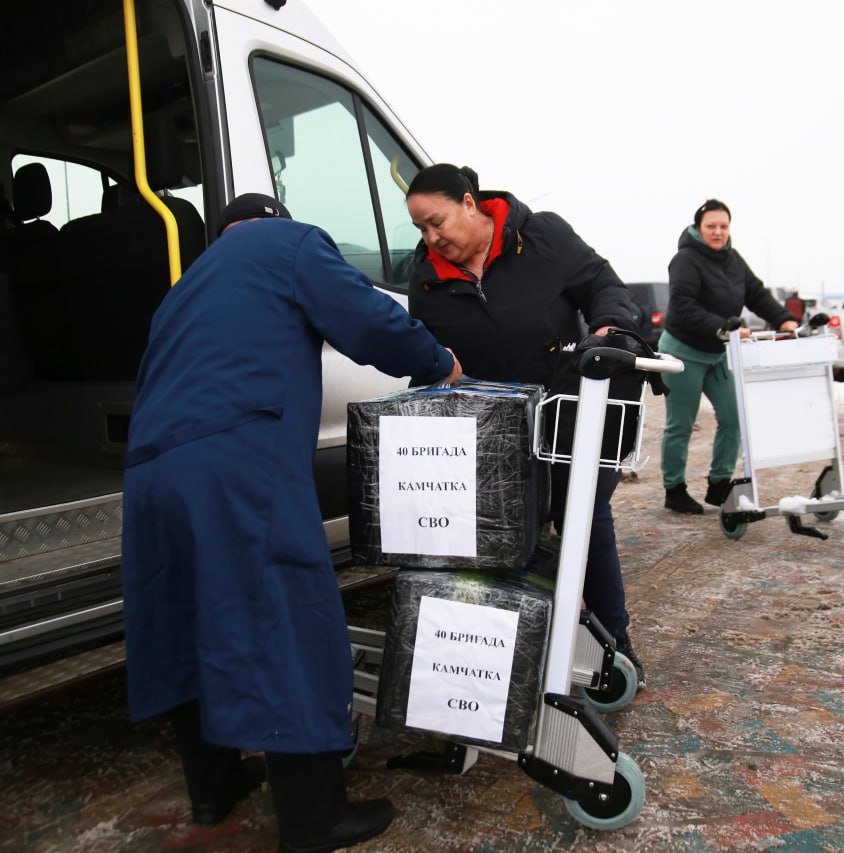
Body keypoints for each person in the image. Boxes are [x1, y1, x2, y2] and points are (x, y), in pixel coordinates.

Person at [121, 192, 461, 852]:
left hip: (151, 473)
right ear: (275, 222)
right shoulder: (290, 243)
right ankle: (314, 820)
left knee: (189, 621)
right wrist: (437, 362)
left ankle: (214, 788)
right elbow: (368, 321)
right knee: (284, 621)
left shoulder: (186, 285)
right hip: (235, 465)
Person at [403, 163, 647, 684]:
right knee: (502, 533)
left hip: (566, 410)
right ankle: (504, 652)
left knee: (582, 514)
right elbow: (426, 354)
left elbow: (602, 283)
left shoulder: (542, 236)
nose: (432, 237)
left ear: (469, 203)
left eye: (438, 221)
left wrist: (610, 328)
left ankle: (612, 643)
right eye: (421, 228)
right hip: (493, 431)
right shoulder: (427, 276)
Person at [657, 199, 797, 515]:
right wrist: (721, 326)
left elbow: (757, 293)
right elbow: (683, 305)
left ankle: (719, 483)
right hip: (682, 353)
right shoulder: (685, 260)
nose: (718, 232)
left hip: (718, 352)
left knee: (734, 417)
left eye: (723, 226)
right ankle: (674, 489)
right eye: (711, 227)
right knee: (681, 423)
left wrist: (784, 318)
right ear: (698, 228)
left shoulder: (733, 259)